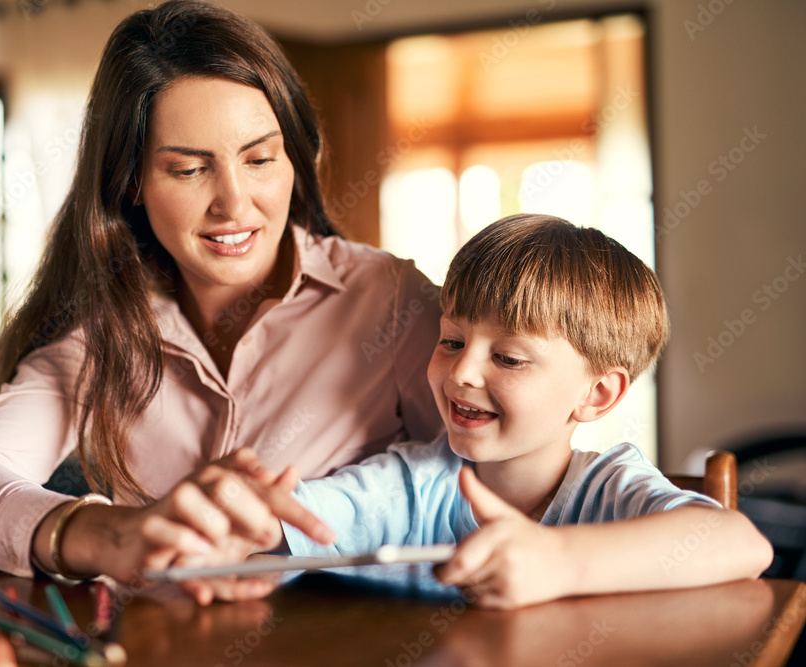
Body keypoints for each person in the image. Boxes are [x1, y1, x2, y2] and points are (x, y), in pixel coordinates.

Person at [0, 0, 442, 594]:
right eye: (190, 170)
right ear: (131, 182)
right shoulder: (101, 333)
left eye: (260, 159)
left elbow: (485, 483)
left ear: (293, 156)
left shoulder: (390, 302)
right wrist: (113, 534)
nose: (235, 204)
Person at [199, 214, 774, 609]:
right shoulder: (414, 482)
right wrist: (249, 519)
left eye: (508, 356)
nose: (461, 373)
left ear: (596, 395)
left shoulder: (612, 490)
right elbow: (302, 518)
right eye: (451, 341)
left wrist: (559, 562)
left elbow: (743, 544)